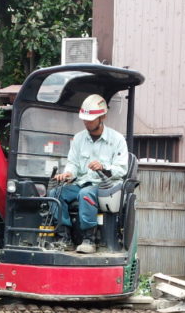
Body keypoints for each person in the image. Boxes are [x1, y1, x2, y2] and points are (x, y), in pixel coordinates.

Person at [52, 94, 129, 253]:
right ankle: (64, 237)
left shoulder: (117, 140)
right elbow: (73, 164)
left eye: (90, 119)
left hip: (105, 187)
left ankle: (89, 239)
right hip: (81, 183)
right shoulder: (79, 139)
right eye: (84, 119)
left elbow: (121, 169)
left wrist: (103, 167)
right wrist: (67, 174)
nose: (86, 122)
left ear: (103, 117)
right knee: (55, 193)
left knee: (86, 194)